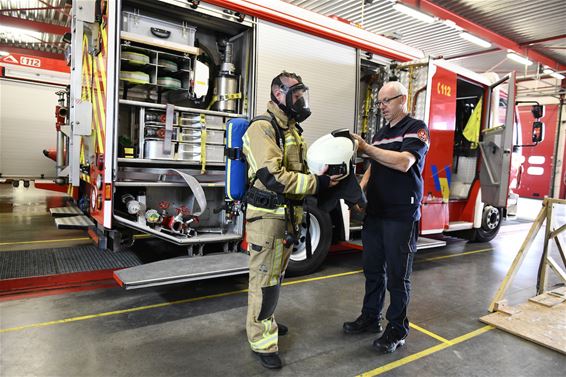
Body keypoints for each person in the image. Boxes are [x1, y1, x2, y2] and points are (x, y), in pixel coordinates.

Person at [242, 71, 338, 369]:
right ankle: (261, 340)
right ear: (278, 94)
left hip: (287, 217)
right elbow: (273, 177)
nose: (301, 100)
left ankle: (265, 320)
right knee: (265, 280)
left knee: (275, 277)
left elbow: (303, 168)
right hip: (268, 219)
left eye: (302, 94)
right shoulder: (263, 128)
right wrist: (316, 185)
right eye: (296, 94)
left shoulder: (292, 130)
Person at [344, 81, 430, 353]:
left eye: (386, 101)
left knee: (397, 276)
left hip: (400, 215)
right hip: (376, 213)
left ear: (403, 100)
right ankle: (371, 318)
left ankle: (397, 329)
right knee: (372, 271)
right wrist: (360, 192)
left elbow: (404, 162)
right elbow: (373, 165)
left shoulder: (416, 129)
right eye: (379, 102)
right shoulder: (381, 133)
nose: (381, 107)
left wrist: (367, 148)